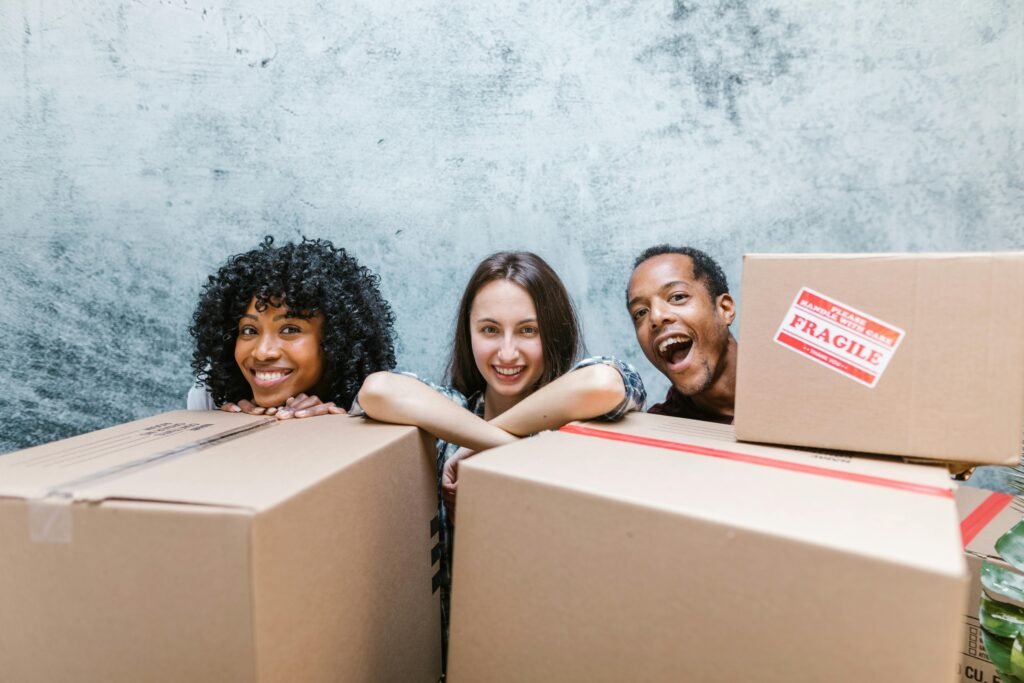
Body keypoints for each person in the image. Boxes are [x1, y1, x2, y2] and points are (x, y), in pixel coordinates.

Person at [355, 250, 646, 665]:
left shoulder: (576, 427)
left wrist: (485, 447)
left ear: (554, 333)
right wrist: (500, 445)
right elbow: (377, 390)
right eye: (490, 330)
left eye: (528, 331)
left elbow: (606, 383)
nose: (507, 353)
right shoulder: (449, 416)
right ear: (468, 333)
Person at [188, 236, 397, 416]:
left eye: (289, 330)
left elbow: (383, 391)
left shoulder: (384, 398)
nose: (262, 353)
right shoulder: (210, 396)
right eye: (249, 330)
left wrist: (339, 424)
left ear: (336, 341)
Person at [626, 244, 736, 424]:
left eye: (677, 297)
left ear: (724, 309)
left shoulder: (791, 373)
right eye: (640, 312)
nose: (656, 317)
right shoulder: (659, 435)